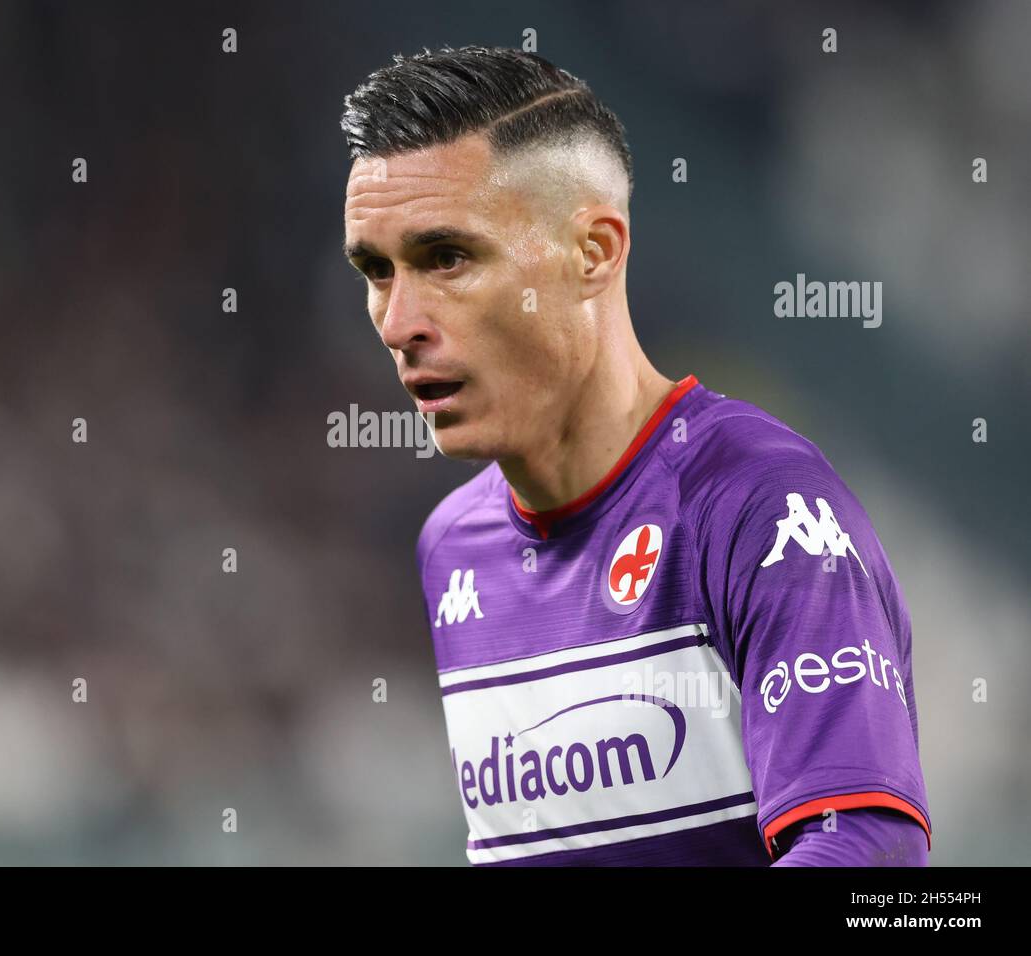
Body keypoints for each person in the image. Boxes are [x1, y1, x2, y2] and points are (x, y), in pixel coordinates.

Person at [340, 45, 930, 865]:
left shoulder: (763, 509)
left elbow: (868, 848)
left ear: (595, 252)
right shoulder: (452, 546)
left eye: (447, 258)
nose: (400, 320)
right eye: (376, 269)